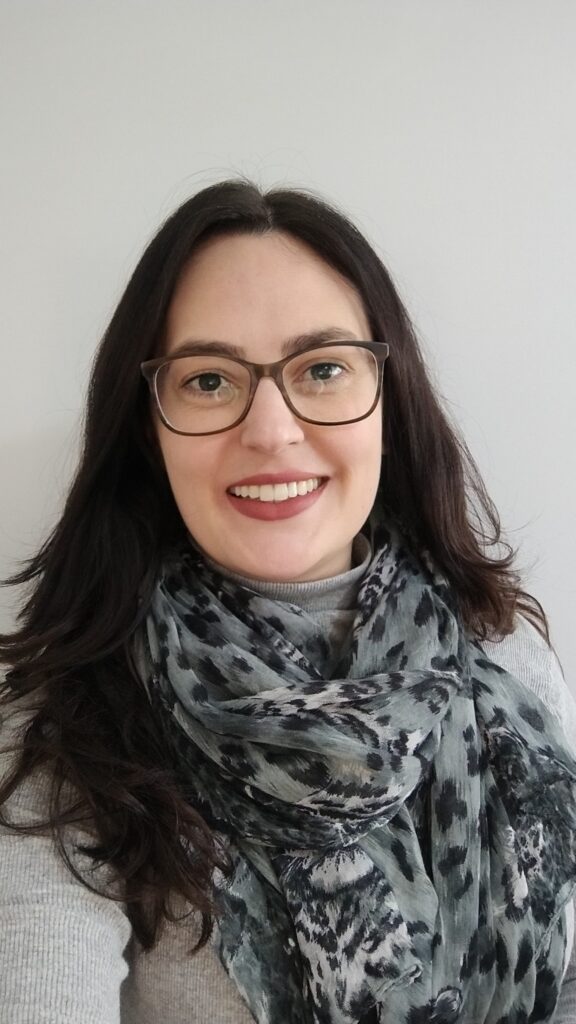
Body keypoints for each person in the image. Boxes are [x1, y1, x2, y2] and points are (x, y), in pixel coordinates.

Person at [1, 178, 575, 1024]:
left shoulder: (510, 663)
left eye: (324, 368)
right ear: (149, 428)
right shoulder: (72, 727)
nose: (271, 430)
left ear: (387, 399)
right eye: (208, 380)